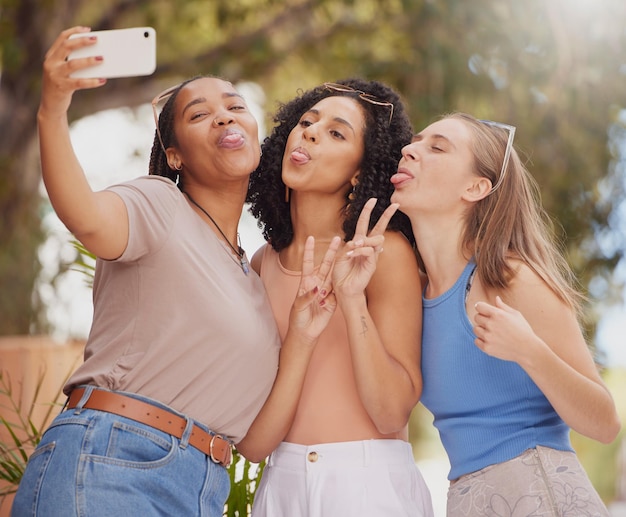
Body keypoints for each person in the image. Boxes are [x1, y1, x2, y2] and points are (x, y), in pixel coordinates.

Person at [12, 27, 340, 517]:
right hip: (112, 461)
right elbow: (85, 215)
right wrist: (52, 109)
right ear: (174, 155)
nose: (224, 115)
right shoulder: (161, 203)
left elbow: (252, 442)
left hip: (200, 486)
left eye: (234, 105)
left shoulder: (248, 277)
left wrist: (302, 337)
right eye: (199, 114)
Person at [390, 112, 621, 516]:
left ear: (476, 187)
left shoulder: (510, 278)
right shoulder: (413, 295)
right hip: (468, 501)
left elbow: (604, 422)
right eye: (416, 141)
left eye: (437, 147)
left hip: (541, 496)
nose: (410, 149)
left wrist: (528, 350)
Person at [247, 78, 434, 517]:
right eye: (307, 122)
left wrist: (352, 302)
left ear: (359, 170)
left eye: (336, 132)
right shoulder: (261, 264)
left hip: (366, 485)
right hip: (281, 487)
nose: (309, 132)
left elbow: (390, 415)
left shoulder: (383, 253)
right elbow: (255, 444)